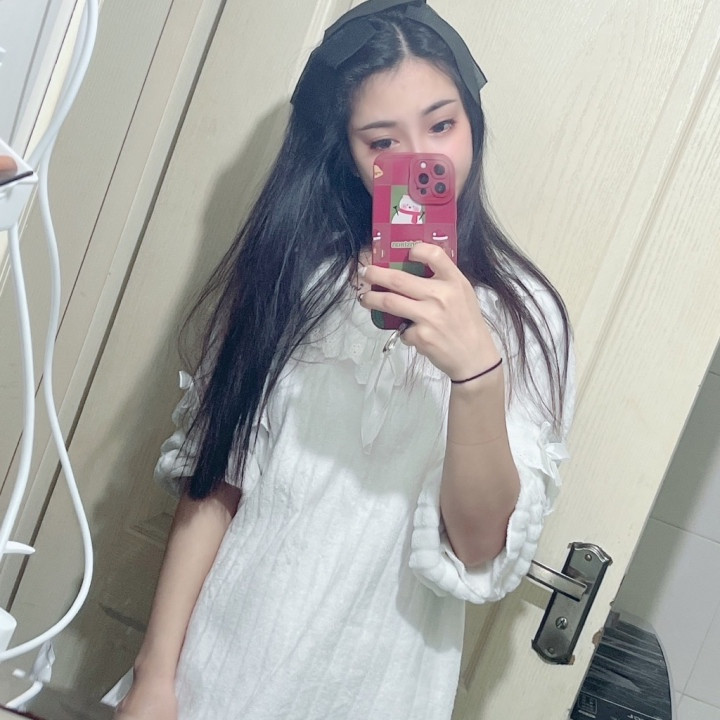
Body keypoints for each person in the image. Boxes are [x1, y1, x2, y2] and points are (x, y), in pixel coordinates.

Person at [115, 1, 574, 718]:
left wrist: (476, 375)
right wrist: (154, 676)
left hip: (377, 691)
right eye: (383, 141)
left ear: (473, 122)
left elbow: (479, 549)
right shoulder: (296, 275)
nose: (421, 160)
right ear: (348, 152)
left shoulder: (525, 318)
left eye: (442, 125)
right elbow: (215, 483)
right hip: (220, 670)